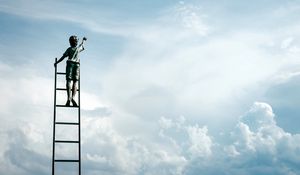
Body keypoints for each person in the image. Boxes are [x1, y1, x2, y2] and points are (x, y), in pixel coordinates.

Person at [54, 35, 87, 106]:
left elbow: (63, 57)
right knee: (75, 82)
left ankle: (69, 97)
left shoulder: (69, 49)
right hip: (77, 64)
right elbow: (82, 45)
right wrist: (83, 40)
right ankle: (73, 97)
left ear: (70, 42)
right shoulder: (78, 49)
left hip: (70, 64)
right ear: (76, 42)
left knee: (69, 81)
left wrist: (57, 62)